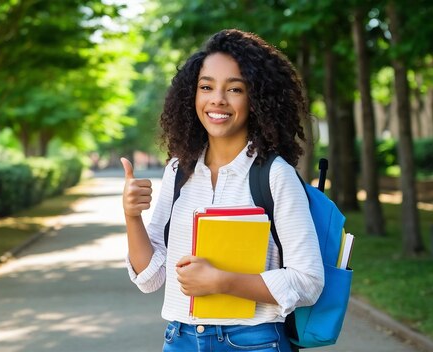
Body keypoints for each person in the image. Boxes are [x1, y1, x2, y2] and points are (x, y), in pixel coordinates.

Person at [120, 29, 324, 352]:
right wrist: (132, 217)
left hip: (254, 341)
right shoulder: (178, 171)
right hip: (180, 339)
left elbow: (309, 280)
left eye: (235, 89)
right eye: (206, 87)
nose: (218, 99)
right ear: (192, 95)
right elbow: (150, 276)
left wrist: (222, 281)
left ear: (255, 100)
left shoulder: (274, 175)